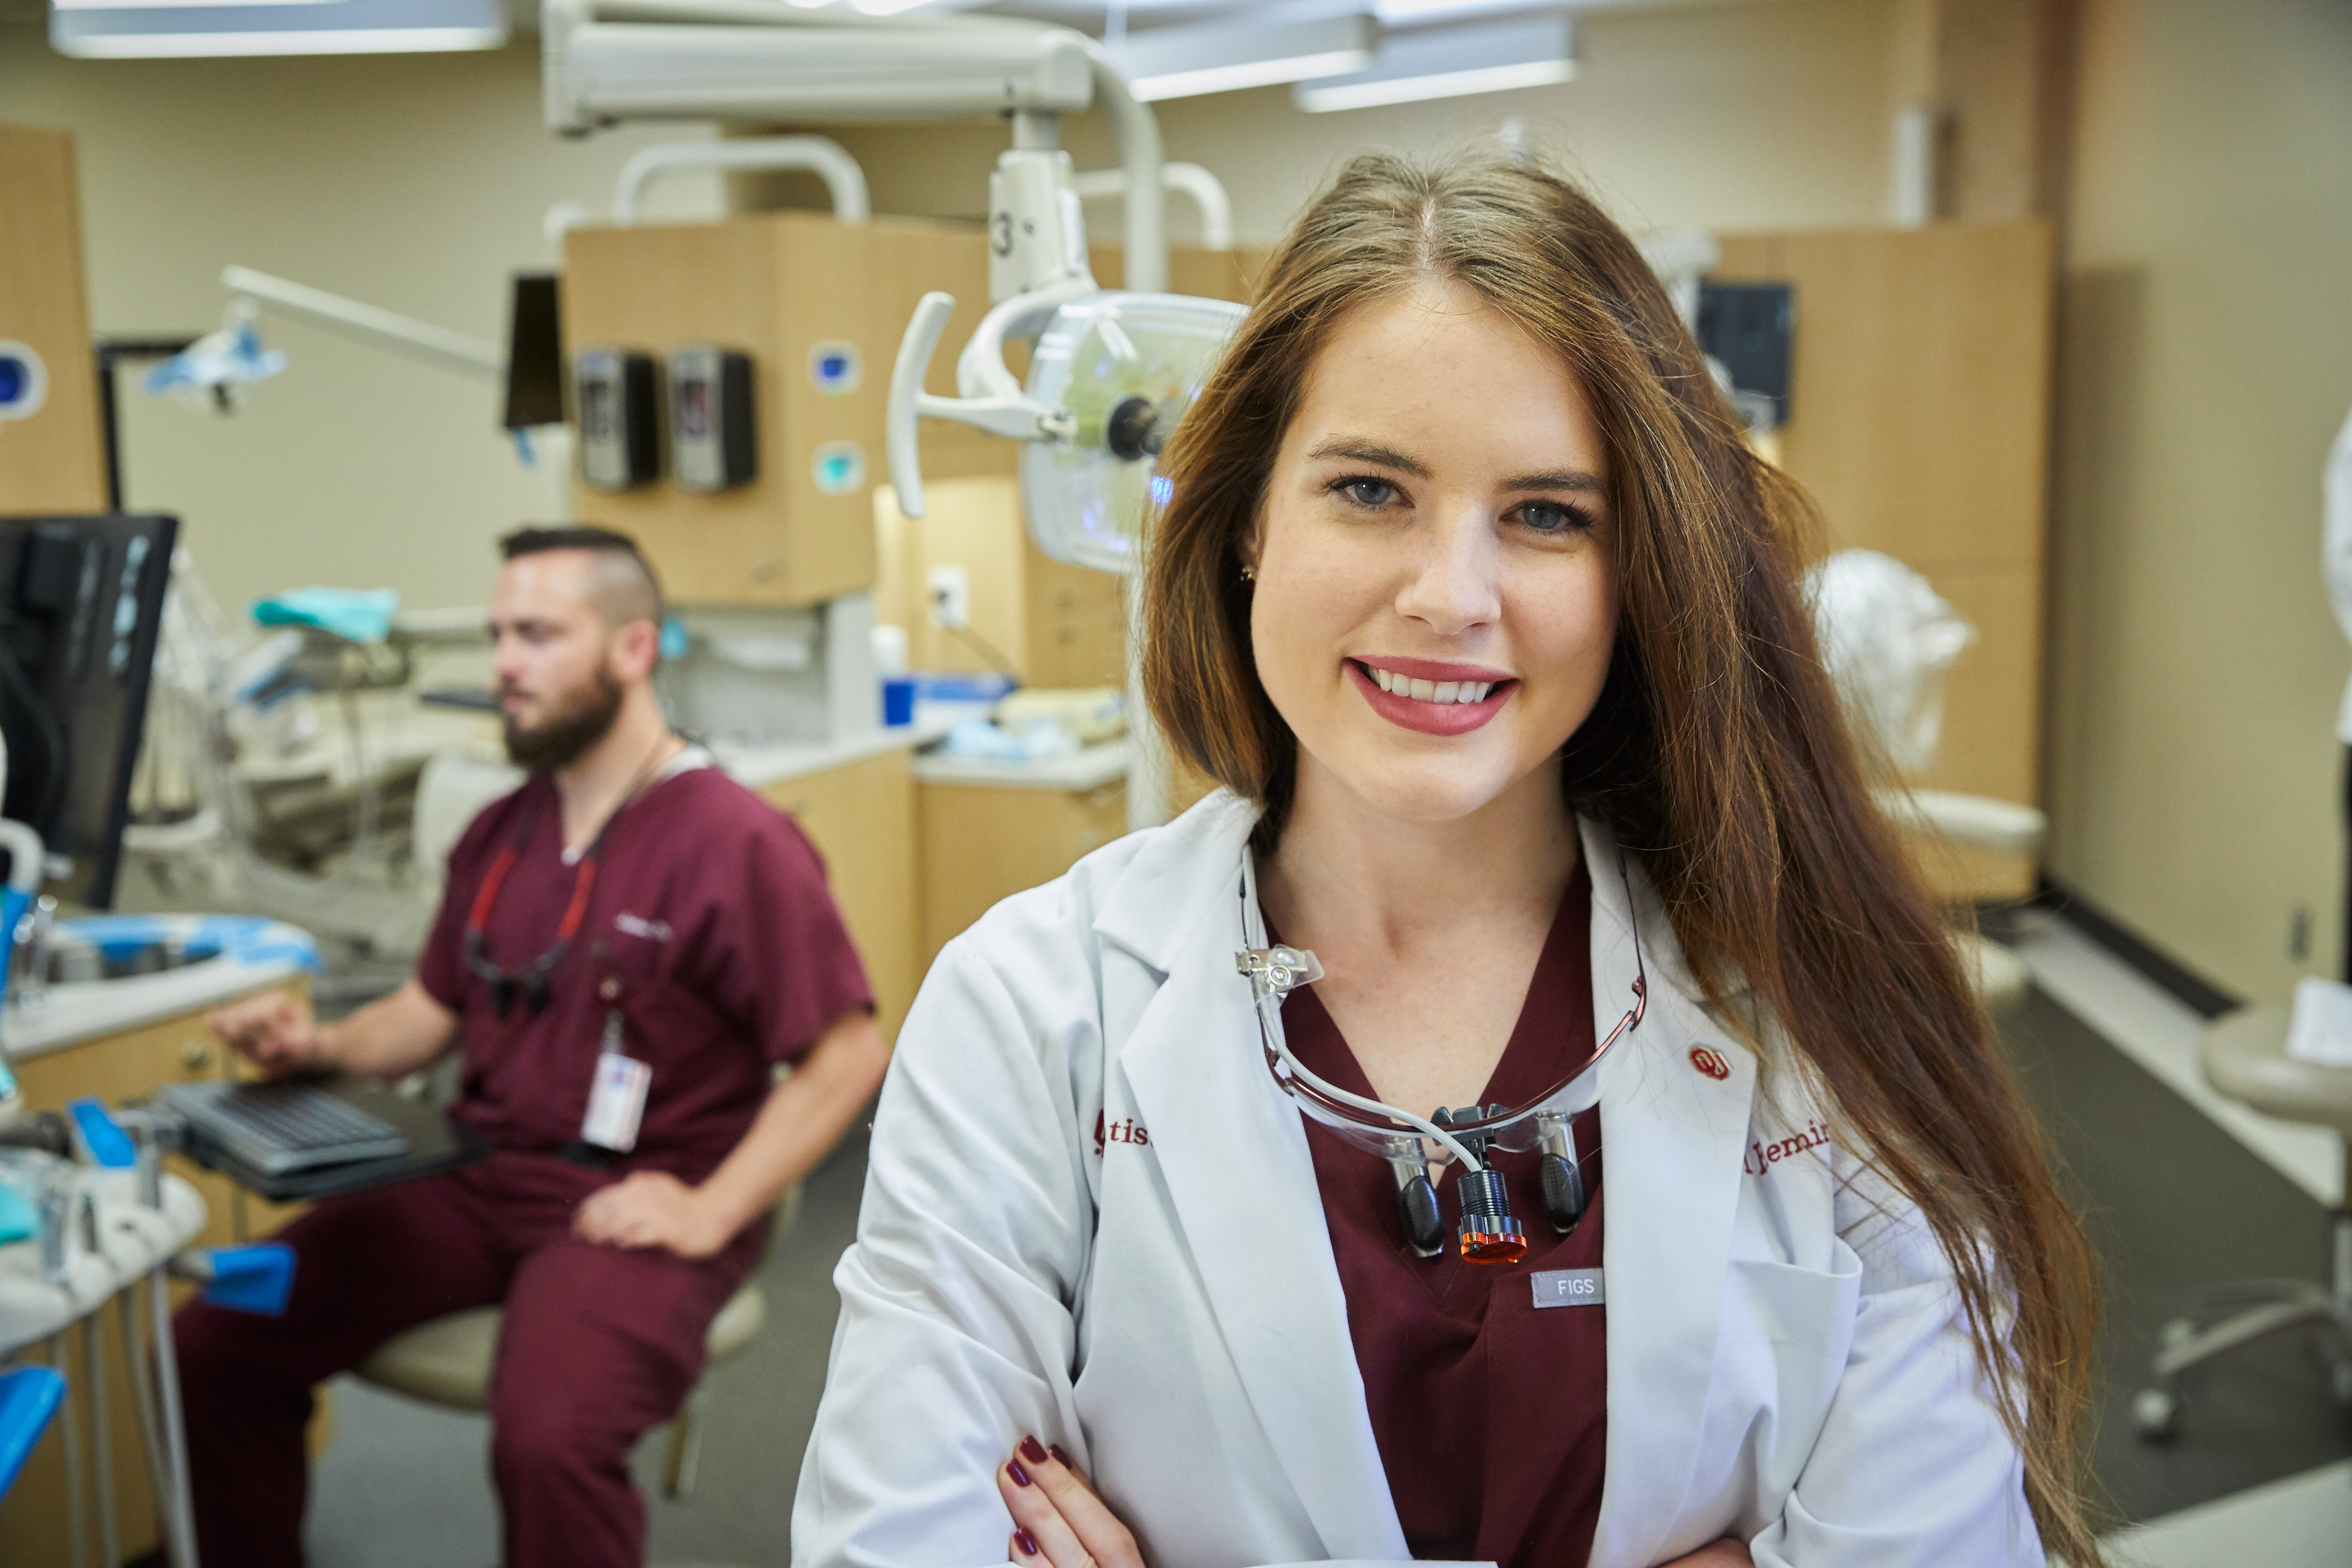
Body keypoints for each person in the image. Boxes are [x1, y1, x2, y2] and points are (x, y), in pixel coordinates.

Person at [791, 152, 2100, 1568]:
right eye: (1370, 489)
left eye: (1546, 514)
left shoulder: (1812, 997)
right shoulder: (1031, 1011)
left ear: (1636, 570)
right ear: (1244, 523)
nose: (1448, 597)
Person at [177, 525, 890, 1568]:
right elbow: (429, 1012)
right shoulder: (502, 832)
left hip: (636, 1196)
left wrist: (708, 1209)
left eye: (539, 635)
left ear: (632, 649)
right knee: (216, 1338)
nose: (505, 662)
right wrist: (314, 1046)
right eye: (500, 634)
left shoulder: (737, 842)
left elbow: (848, 1054)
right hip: (475, 1173)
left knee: (550, 1439)